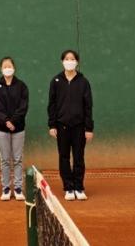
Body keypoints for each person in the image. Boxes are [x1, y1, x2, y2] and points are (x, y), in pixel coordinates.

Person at [48, 49, 94, 201]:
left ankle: (79, 187)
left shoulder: (83, 82)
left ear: (77, 62)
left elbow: (88, 106)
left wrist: (89, 128)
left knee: (79, 157)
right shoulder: (56, 81)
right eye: (67, 59)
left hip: (79, 127)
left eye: (72, 59)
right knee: (64, 157)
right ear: (62, 61)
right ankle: (68, 187)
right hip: (61, 126)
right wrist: (52, 125)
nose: (69, 61)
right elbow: (52, 105)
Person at [0, 56, 29, 201]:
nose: (7, 68)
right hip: (1, 128)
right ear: (1, 69)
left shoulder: (22, 86)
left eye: (10, 66)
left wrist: (13, 121)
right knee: (5, 160)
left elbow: (23, 107)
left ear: (14, 68)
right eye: (5, 66)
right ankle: (6, 188)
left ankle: (18, 188)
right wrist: (6, 121)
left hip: (18, 128)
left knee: (18, 159)